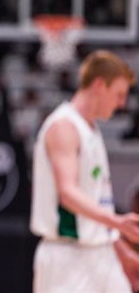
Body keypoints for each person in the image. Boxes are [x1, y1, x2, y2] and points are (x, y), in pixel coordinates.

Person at [30, 50, 139, 292]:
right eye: (118, 94)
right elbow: (67, 194)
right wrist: (118, 222)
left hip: (101, 253)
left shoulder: (91, 129)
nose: (122, 103)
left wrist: (121, 250)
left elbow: (97, 207)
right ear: (99, 85)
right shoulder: (63, 127)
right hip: (66, 257)